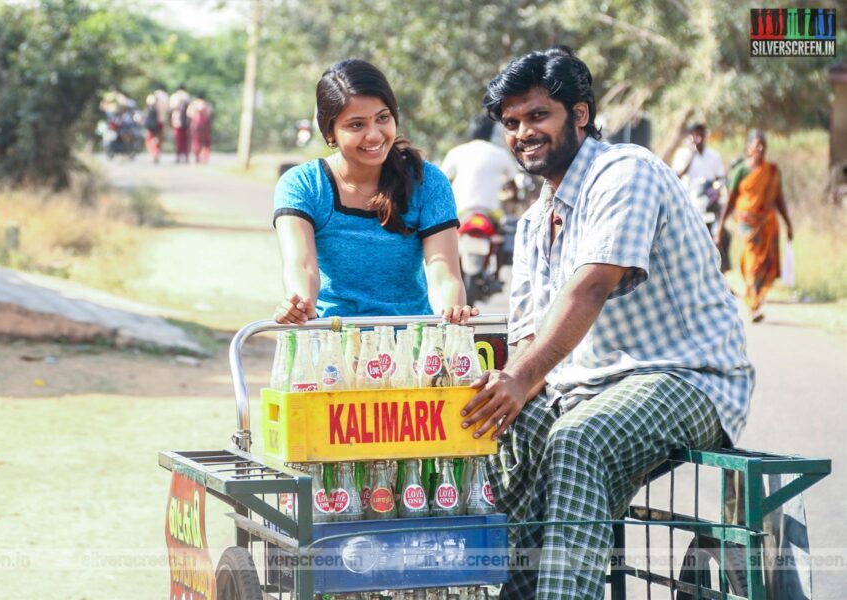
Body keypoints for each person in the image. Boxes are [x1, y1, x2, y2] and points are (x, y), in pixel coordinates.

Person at [461, 47, 754, 599]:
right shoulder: (531, 225)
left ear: (579, 114)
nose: (524, 132)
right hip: (588, 388)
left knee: (579, 440)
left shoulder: (625, 171)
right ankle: (510, 591)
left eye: (538, 115)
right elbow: (527, 336)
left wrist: (521, 380)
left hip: (688, 377)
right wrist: (508, 389)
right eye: (512, 122)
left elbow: (592, 285)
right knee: (504, 437)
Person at [272, 59, 474, 324]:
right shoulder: (303, 185)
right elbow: (302, 267)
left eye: (382, 118)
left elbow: (443, 273)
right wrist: (299, 305)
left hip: (411, 347)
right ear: (330, 133)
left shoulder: (428, 180)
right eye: (356, 125)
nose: (374, 135)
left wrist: (451, 313)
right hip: (331, 347)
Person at [716, 130, 794, 323]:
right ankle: (753, 304)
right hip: (747, 223)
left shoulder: (772, 171)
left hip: (768, 223)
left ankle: (756, 301)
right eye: (756, 144)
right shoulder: (741, 171)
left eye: (763, 145)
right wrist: (720, 225)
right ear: (748, 147)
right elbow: (731, 200)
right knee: (752, 262)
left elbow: (779, 198)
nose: (760, 148)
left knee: (765, 263)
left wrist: (788, 223)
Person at [672, 122, 730, 270]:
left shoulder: (714, 156)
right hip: (690, 205)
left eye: (701, 134)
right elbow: (676, 176)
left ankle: (720, 272)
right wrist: (691, 155)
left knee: (721, 237)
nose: (698, 138)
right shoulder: (682, 155)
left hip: (710, 203)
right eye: (694, 134)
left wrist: (718, 194)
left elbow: (720, 179)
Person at [440, 113, 519, 218]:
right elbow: (513, 184)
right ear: (491, 131)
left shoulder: (456, 152)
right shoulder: (501, 154)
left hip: (461, 214)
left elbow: (442, 184)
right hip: (491, 214)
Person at [187, 93, 214, 164]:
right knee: (206, 142)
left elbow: (189, 114)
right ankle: (205, 156)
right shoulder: (207, 104)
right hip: (205, 125)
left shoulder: (193, 104)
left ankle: (197, 156)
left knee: (196, 140)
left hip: (196, 124)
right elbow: (210, 114)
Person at [169, 84, 190, 163]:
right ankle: (185, 156)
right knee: (185, 139)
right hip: (186, 121)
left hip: (176, 120)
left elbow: (171, 109)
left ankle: (178, 156)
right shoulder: (187, 96)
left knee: (178, 139)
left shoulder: (174, 96)